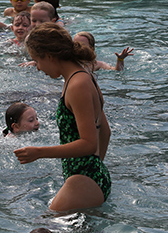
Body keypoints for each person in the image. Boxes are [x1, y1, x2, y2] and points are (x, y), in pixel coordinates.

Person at [14, 22, 111, 212]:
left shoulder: (77, 85)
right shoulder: (83, 76)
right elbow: (105, 132)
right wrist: (96, 169)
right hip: (89, 178)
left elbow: (89, 143)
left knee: (44, 232)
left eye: (37, 61)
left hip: (83, 181)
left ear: (49, 56)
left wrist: (39, 152)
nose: (38, 68)